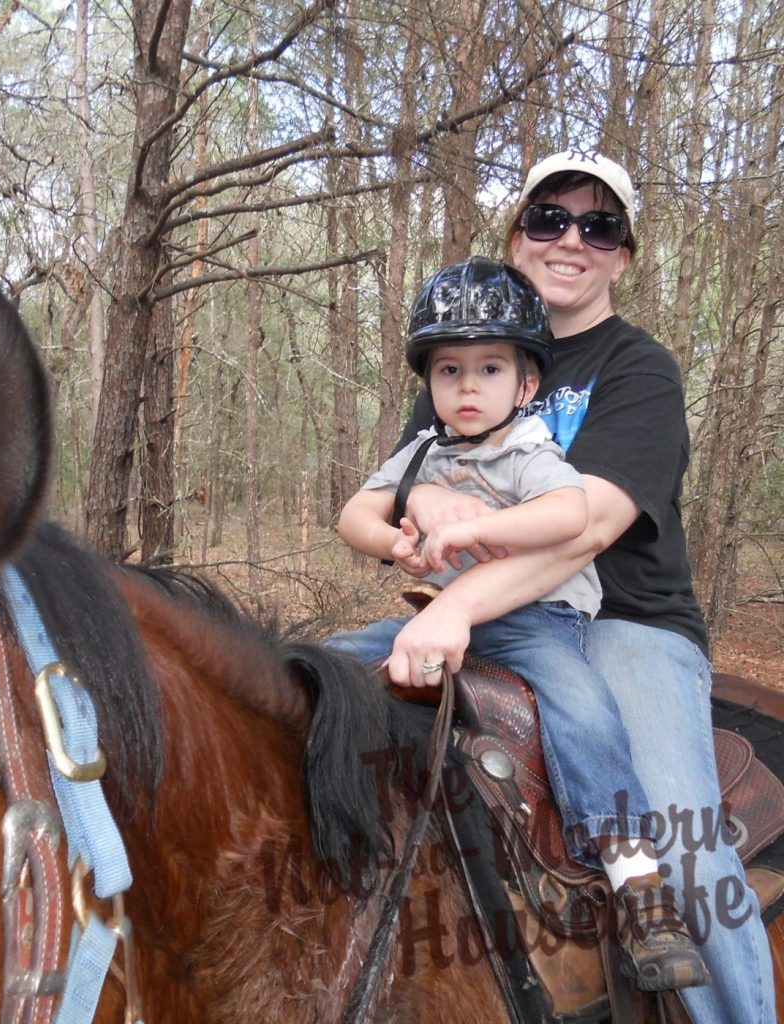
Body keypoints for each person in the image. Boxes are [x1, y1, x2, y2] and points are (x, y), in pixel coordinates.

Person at [329, 151, 775, 1022]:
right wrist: (415, 518)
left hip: (624, 623)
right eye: (550, 219)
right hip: (476, 610)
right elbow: (408, 485)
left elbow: (590, 527)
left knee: (683, 843)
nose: (572, 239)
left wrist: (458, 599)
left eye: (599, 225)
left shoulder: (638, 368)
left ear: (623, 254)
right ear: (517, 235)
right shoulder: (467, 355)